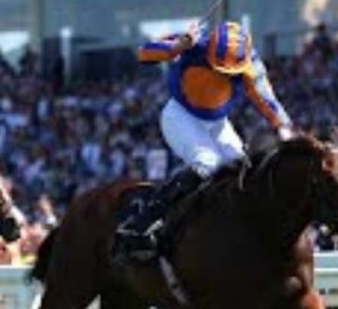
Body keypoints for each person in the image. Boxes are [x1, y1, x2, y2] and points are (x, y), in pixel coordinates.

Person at [115, 21, 295, 262]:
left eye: (230, 71)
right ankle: (146, 219)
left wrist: (283, 127)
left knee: (241, 168)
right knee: (208, 164)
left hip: (218, 122)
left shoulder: (250, 62)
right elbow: (144, 52)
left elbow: (264, 96)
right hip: (181, 115)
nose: (224, 74)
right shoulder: (195, 42)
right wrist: (177, 47)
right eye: (219, 68)